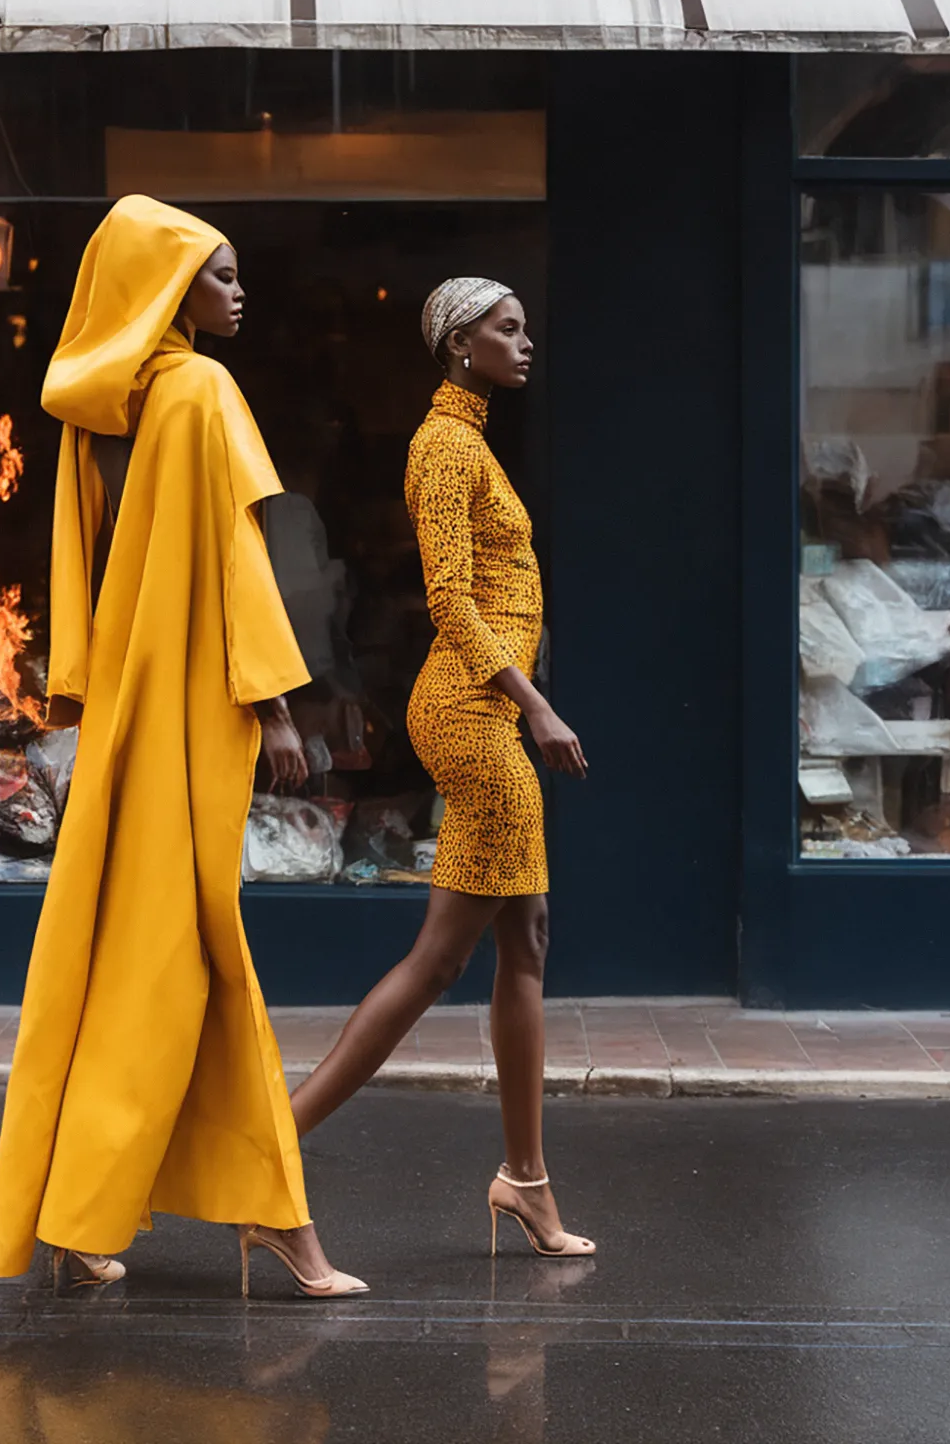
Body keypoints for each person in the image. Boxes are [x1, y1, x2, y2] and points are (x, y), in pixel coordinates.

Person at [0, 196, 365, 1301]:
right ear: (169, 289)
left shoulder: (98, 408)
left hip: (128, 710)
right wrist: (277, 706)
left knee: (134, 953)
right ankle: (275, 1223)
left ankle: (84, 1214)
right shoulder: (200, 390)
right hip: (196, 707)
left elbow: (85, 568)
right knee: (189, 955)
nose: (240, 294)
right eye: (221, 275)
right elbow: (238, 557)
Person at [288, 277, 594, 1259]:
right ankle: (274, 1151)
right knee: (439, 960)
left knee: (527, 943)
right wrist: (536, 705)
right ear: (460, 342)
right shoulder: (442, 445)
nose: (526, 339)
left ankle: (526, 1180)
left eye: (524, 323)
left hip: (487, 710)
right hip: (473, 712)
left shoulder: (468, 439)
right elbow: (451, 605)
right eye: (508, 327)